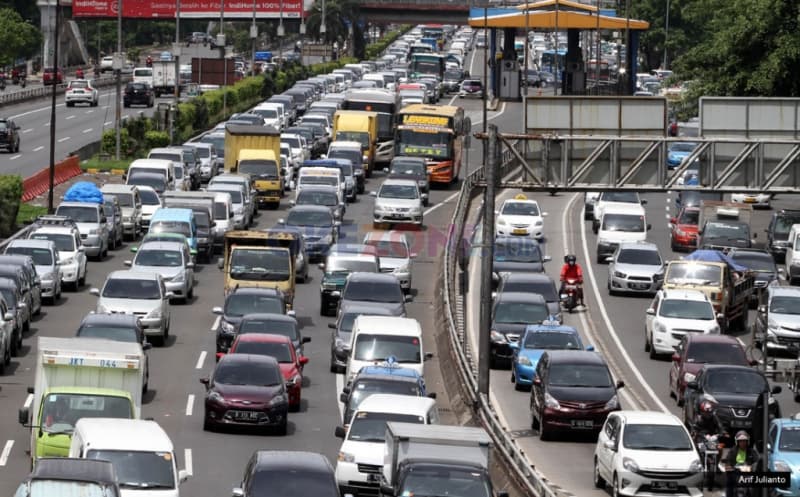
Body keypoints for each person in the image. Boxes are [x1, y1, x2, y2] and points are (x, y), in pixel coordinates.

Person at [723, 431, 759, 497]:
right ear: (737, 442)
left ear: (747, 441)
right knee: (729, 482)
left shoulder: (752, 452)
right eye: (740, 441)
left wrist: (752, 467)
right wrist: (729, 467)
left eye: (744, 441)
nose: (742, 443)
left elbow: (757, 461)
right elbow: (728, 461)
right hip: (735, 473)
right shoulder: (732, 451)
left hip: (748, 473)